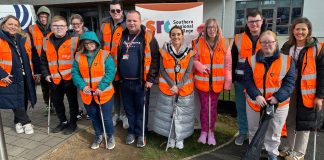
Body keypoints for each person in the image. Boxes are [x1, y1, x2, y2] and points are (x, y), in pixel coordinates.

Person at [244, 31, 295, 160]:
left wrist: (277, 97)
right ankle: (254, 151)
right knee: (254, 129)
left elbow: (289, 83)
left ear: (276, 43)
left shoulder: (287, 60)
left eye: (270, 42)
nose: (267, 45)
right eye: (264, 42)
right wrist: (256, 95)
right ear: (260, 44)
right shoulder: (250, 60)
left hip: (279, 104)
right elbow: (248, 81)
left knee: (274, 131)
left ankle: (272, 153)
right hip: (255, 102)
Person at [279, 17, 324, 160]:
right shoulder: (287, 47)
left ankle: (300, 152)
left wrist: (320, 96)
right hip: (289, 89)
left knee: (305, 122)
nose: (300, 32)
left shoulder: (317, 48)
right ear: (293, 30)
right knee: (290, 119)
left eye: (303, 29)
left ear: (308, 31)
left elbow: (323, 73)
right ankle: (290, 147)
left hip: (308, 92)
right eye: (297, 29)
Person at [117, 10, 160, 148]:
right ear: (126, 21)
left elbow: (155, 59)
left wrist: (151, 79)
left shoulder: (147, 36)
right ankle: (131, 131)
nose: (131, 23)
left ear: (140, 21)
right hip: (124, 82)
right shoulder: (121, 36)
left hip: (141, 82)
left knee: (141, 109)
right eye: (129, 20)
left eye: (134, 20)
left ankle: (141, 134)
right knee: (129, 109)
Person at [152, 25, 195, 149]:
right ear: (170, 36)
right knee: (168, 115)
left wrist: (179, 86)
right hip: (167, 89)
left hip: (184, 90)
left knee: (182, 115)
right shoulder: (164, 50)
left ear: (182, 36)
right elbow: (162, 70)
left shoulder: (190, 51)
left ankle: (180, 138)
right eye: (173, 34)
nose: (176, 36)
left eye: (178, 34)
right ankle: (170, 137)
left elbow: (188, 72)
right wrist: (173, 85)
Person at [72, 31, 116, 150]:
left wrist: (101, 87)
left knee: (106, 117)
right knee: (94, 117)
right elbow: (75, 73)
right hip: (87, 94)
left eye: (91, 43)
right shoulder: (78, 56)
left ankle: (110, 136)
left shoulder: (105, 55)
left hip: (104, 93)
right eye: (86, 43)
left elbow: (111, 72)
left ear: (96, 42)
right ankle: (98, 135)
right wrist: (82, 85)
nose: (88, 45)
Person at [193, 18, 232, 145]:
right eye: (209, 27)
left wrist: (227, 82)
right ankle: (203, 132)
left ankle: (211, 133)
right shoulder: (198, 42)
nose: (211, 30)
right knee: (204, 108)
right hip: (202, 82)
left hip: (217, 83)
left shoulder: (225, 43)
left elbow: (228, 65)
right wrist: (199, 66)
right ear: (205, 29)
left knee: (213, 108)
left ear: (217, 28)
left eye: (214, 27)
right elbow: (193, 60)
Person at [231, 9, 266, 146]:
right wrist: (233, 79)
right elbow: (233, 60)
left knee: (259, 110)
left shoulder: (268, 37)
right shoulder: (238, 38)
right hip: (240, 82)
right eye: (251, 21)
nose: (254, 24)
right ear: (247, 22)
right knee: (241, 109)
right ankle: (243, 132)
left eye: (256, 21)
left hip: (259, 83)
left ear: (261, 21)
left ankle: (258, 136)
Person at [40, 15, 79, 135]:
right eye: (55, 26)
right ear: (51, 27)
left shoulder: (74, 40)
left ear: (67, 27)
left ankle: (73, 123)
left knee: (72, 103)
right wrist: (46, 74)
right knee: (57, 102)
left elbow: (80, 59)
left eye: (61, 26)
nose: (58, 28)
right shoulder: (46, 40)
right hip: (54, 78)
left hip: (70, 78)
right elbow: (43, 60)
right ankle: (63, 122)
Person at [0, 15, 37, 134]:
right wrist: (2, 74)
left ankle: (17, 122)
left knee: (24, 98)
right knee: (14, 100)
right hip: (9, 76)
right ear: (3, 24)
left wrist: (34, 72)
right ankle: (26, 122)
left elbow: (29, 56)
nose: (13, 27)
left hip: (24, 74)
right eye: (10, 24)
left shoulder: (22, 38)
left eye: (16, 25)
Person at [99, 0, 128, 129]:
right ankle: (116, 114)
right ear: (109, 11)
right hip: (107, 65)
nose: (115, 13)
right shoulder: (104, 24)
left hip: (123, 64)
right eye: (112, 11)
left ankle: (125, 115)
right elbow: (99, 43)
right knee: (113, 91)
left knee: (124, 92)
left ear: (122, 10)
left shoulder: (128, 24)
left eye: (118, 10)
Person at [28, 6, 53, 116]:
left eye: (45, 17)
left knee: (54, 86)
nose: (43, 19)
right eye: (41, 16)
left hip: (52, 61)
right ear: (38, 17)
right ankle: (48, 105)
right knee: (44, 87)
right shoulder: (32, 29)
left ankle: (55, 104)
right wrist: (36, 68)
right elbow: (31, 49)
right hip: (39, 62)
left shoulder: (53, 28)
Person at [68, 13, 89, 120]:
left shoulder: (88, 34)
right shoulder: (69, 36)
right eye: (73, 24)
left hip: (87, 65)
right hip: (75, 66)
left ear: (82, 24)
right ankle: (80, 109)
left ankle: (89, 109)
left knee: (88, 87)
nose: (76, 26)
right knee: (78, 90)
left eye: (78, 23)